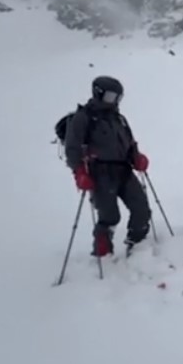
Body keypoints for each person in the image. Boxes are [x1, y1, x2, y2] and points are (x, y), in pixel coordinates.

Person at [64, 76, 152, 257]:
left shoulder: (119, 119)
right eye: (112, 97)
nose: (115, 101)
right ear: (99, 93)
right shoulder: (83, 118)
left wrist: (136, 157)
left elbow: (129, 143)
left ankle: (137, 245)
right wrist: (79, 172)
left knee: (141, 209)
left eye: (118, 97)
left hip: (124, 170)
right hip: (99, 173)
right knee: (110, 216)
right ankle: (103, 253)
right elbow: (72, 148)